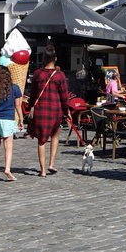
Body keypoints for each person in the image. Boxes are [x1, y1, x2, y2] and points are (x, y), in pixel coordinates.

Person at [25, 48, 73, 177]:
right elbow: (64, 96)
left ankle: (43, 170)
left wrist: (30, 108)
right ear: (55, 58)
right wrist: (67, 110)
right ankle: (51, 163)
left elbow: (33, 94)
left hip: (41, 109)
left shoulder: (37, 74)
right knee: (55, 135)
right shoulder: (59, 75)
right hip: (55, 109)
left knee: (41, 140)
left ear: (44, 58)